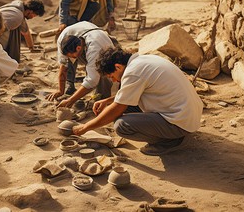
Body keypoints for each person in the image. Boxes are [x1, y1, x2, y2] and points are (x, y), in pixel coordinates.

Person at [72, 47, 203, 155]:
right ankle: (171, 134)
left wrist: (85, 127)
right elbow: (130, 94)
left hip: (180, 122)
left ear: (117, 67)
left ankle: (169, 141)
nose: (114, 81)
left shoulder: (133, 72)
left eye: (112, 76)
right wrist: (108, 100)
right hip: (187, 114)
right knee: (119, 106)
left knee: (121, 125)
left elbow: (117, 108)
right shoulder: (142, 60)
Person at [46, 22, 114, 107]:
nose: (72, 59)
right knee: (89, 69)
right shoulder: (62, 40)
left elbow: (91, 81)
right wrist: (60, 90)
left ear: (78, 48)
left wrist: (70, 101)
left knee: (103, 74)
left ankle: (103, 100)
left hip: (101, 42)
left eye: (72, 56)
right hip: (84, 34)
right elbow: (63, 67)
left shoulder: (95, 49)